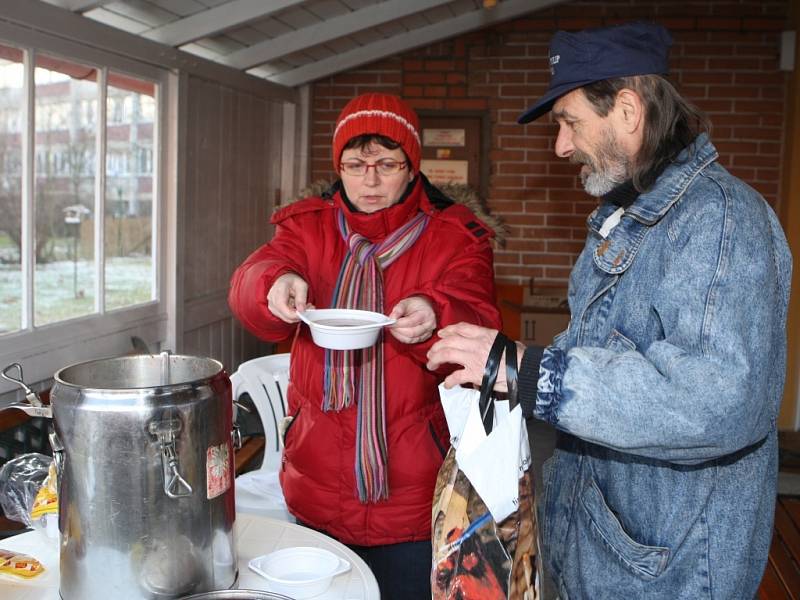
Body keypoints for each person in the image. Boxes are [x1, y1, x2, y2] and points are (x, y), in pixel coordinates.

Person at [426, 21, 792, 599]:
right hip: (604, 551)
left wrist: (535, 373)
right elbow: (606, 350)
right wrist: (509, 374)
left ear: (626, 109)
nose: (562, 145)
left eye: (570, 122)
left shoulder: (720, 220)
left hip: (669, 576)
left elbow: (721, 400)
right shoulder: (631, 214)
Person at [228, 92, 502, 599]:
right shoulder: (307, 228)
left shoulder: (456, 237)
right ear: (339, 167)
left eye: (387, 164)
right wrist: (274, 282)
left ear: (413, 165)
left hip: (413, 490)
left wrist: (435, 315)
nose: (369, 181)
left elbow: (479, 313)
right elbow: (250, 282)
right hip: (315, 479)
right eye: (355, 165)